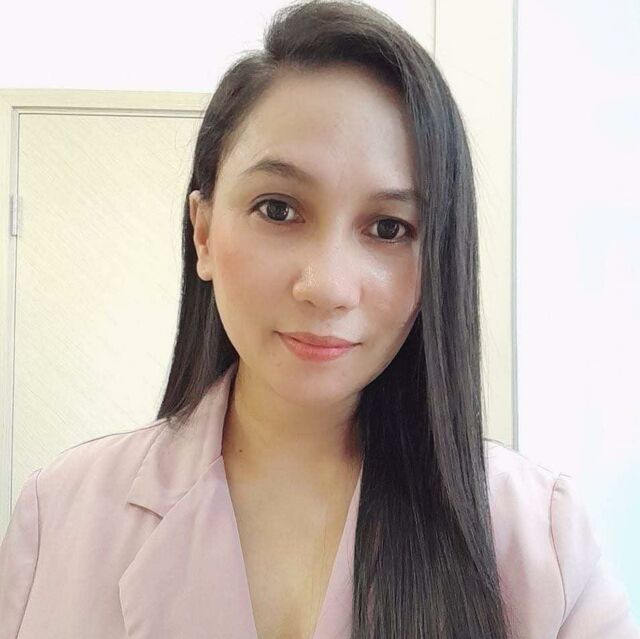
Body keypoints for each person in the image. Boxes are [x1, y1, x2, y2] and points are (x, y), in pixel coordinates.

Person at [1, 1, 638, 637]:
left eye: (389, 228)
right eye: (278, 209)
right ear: (202, 232)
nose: (328, 287)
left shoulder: (540, 539)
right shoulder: (59, 517)